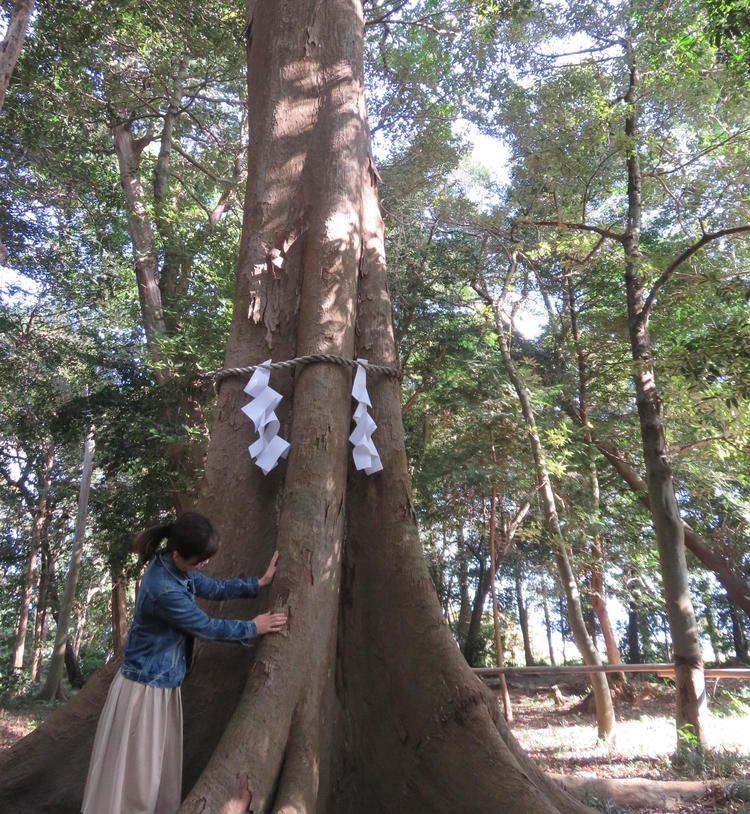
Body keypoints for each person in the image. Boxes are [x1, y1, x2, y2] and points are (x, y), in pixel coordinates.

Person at [81, 511, 286, 814]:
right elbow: (206, 627)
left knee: (152, 773)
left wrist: (259, 583)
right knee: (137, 779)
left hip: (161, 686)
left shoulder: (174, 566)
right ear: (179, 554)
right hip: (144, 693)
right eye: (199, 560)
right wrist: (254, 627)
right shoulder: (163, 588)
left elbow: (213, 588)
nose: (203, 565)